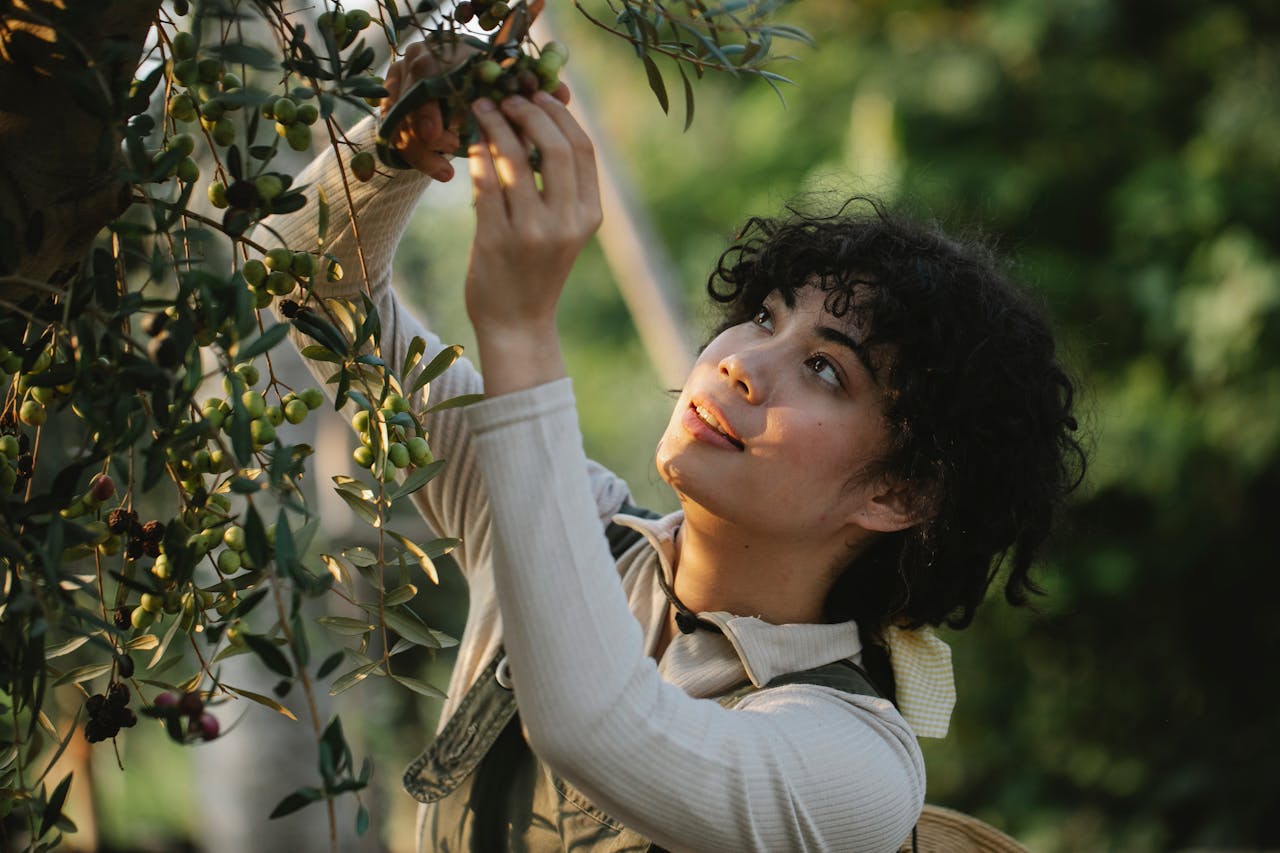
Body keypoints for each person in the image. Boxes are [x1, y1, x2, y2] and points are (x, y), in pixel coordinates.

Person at [271, 41, 1084, 853]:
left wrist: (520, 327)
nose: (740, 361)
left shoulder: (856, 767)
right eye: (766, 315)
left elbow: (597, 727)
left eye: (825, 369)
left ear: (900, 494)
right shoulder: (569, 529)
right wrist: (393, 154)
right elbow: (306, 283)